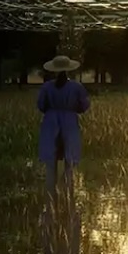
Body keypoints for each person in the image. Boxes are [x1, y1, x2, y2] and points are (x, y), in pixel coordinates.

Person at [36, 55, 90, 199]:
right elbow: (84, 106)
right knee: (69, 160)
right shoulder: (76, 87)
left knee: (51, 163)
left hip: (50, 122)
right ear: (69, 70)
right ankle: (68, 195)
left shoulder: (47, 87)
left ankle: (50, 197)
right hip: (70, 122)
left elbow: (41, 105)